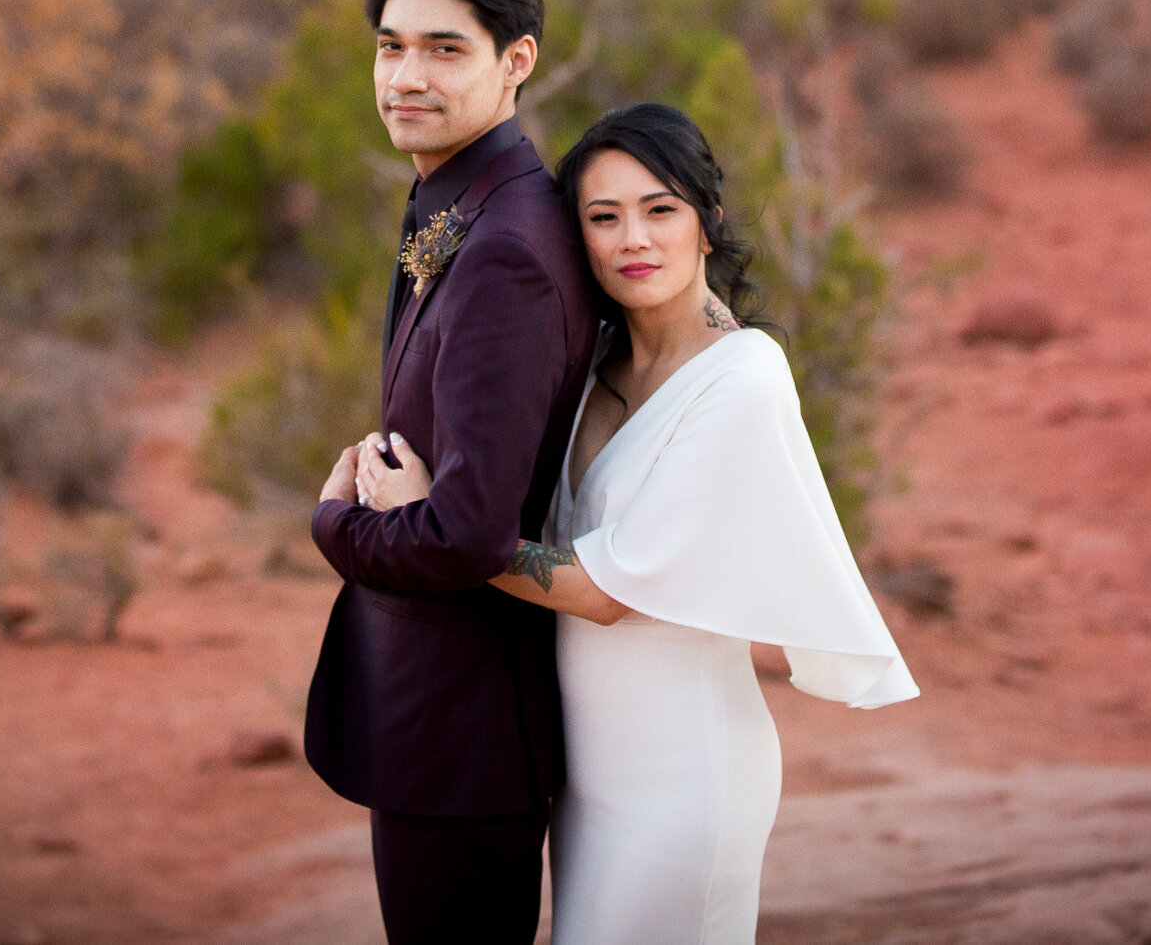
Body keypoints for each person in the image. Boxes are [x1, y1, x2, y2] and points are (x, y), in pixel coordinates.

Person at [358, 101, 916, 945]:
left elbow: (605, 592)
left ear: (707, 222)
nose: (634, 240)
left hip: (683, 777)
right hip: (590, 774)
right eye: (603, 216)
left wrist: (437, 527)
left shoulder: (743, 379)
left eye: (661, 210)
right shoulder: (595, 358)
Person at [303, 0, 601, 945]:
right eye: (392, 45)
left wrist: (335, 520)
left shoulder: (507, 247)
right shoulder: (459, 202)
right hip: (442, 714)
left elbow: (467, 533)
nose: (405, 75)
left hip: (465, 727)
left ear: (516, 60)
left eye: (444, 48)